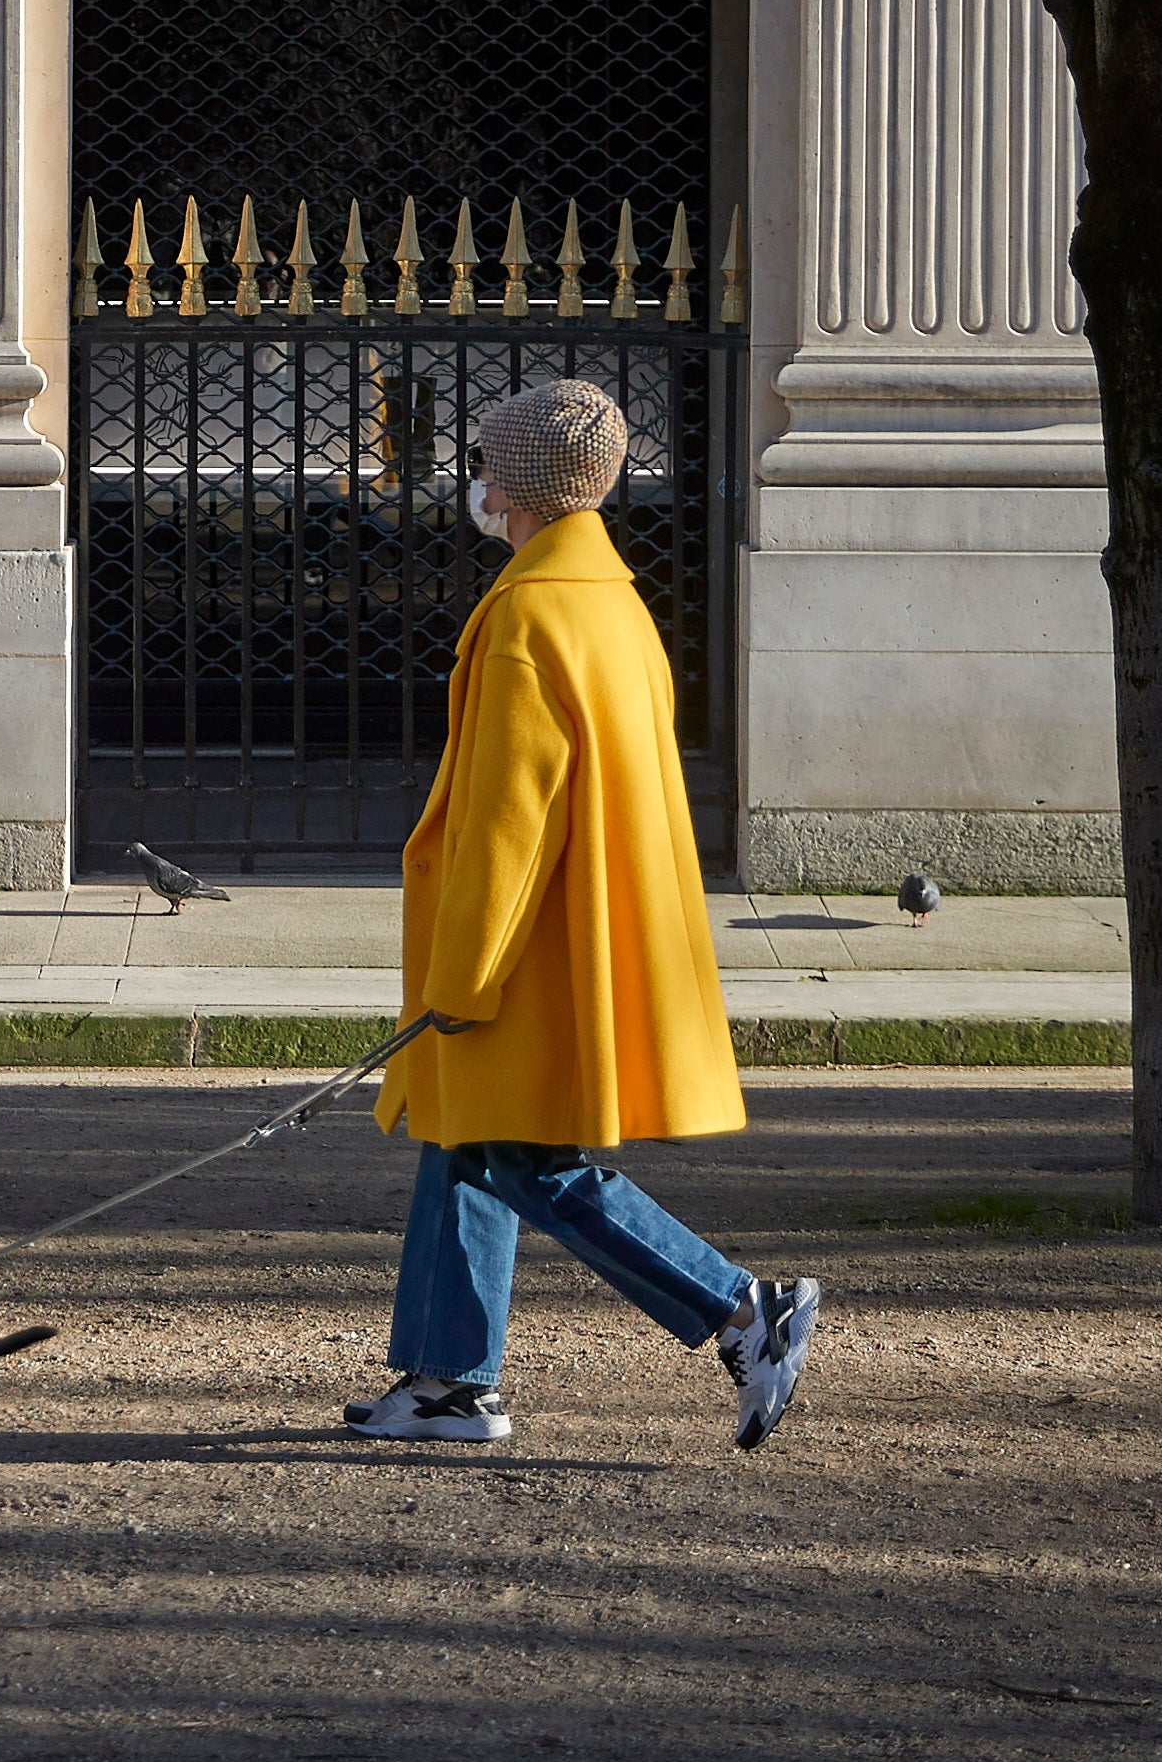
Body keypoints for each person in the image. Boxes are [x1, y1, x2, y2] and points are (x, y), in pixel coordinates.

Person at [346, 380, 821, 1453]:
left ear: (515, 485)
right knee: (468, 1140)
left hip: (525, 951)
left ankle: (742, 1306)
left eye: (484, 463)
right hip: (574, 938)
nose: (475, 480)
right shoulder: (611, 602)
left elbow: (507, 820)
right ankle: (448, 1382)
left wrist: (463, 976)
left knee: (525, 1159)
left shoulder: (527, 613)